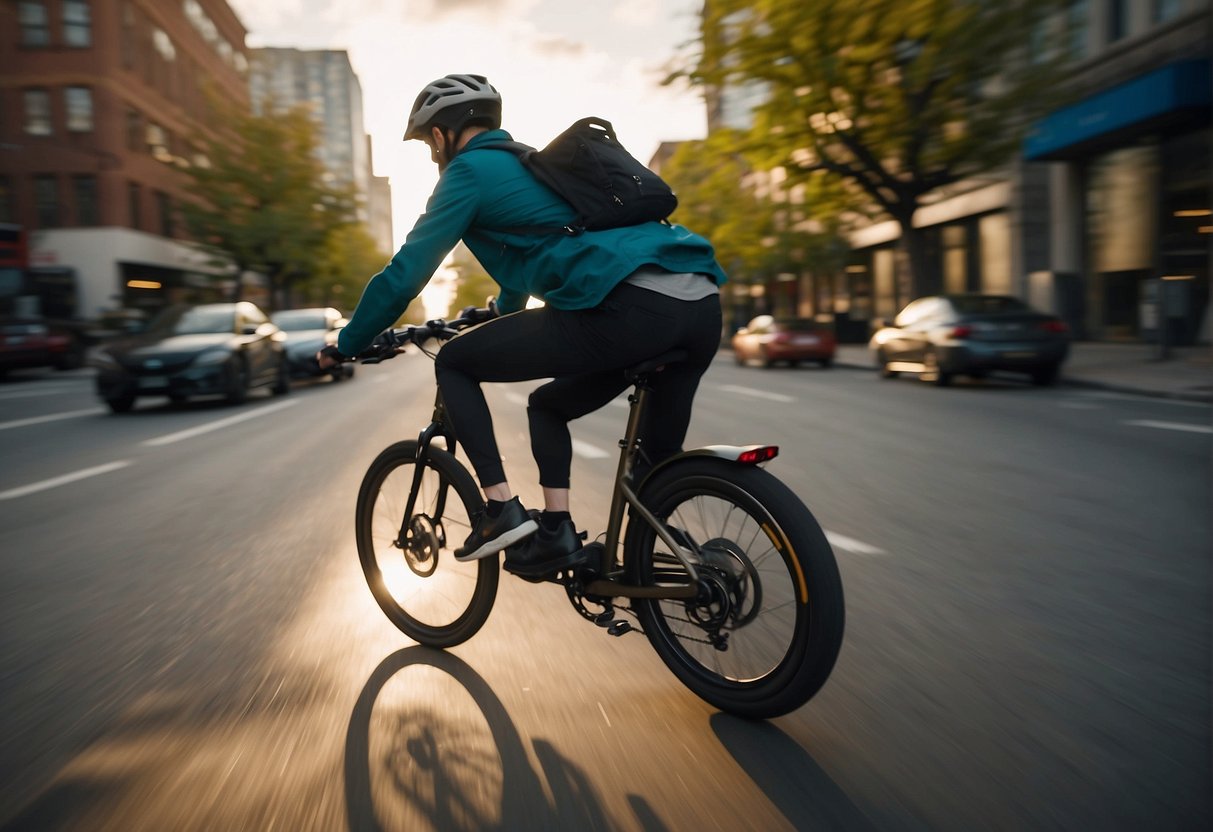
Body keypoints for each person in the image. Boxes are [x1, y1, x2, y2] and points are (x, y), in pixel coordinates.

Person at [319, 73, 726, 574]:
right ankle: (657, 561)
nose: (431, 154)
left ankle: (500, 511)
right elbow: (533, 258)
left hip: (630, 307)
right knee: (600, 436)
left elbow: (405, 274)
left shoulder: (467, 173)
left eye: (428, 142)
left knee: (456, 361)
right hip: (699, 303)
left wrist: (348, 342)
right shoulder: (536, 165)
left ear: (444, 134)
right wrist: (500, 311)